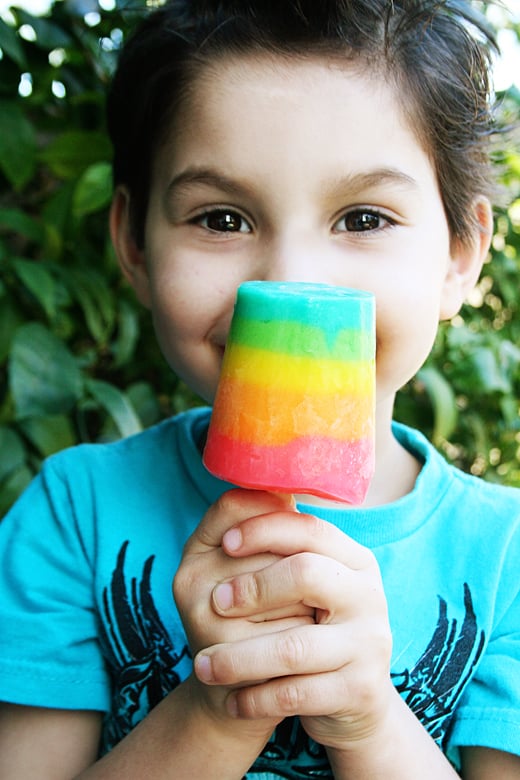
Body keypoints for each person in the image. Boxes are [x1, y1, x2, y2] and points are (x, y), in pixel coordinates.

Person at [0, 0, 519, 777]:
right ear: (133, 244)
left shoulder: (505, 558)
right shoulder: (76, 513)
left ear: (459, 254)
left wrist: (371, 724)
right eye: (222, 218)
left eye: (364, 216)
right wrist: (217, 710)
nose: (289, 282)